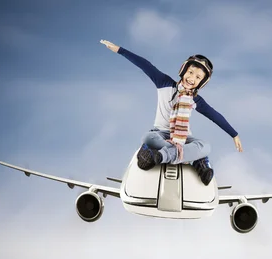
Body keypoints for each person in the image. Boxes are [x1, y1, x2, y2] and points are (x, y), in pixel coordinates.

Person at [100, 39, 243, 185]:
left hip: (183, 138)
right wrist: (120, 50)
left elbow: (215, 115)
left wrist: (234, 134)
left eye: (198, 77)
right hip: (160, 133)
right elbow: (145, 65)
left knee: (205, 146)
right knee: (148, 137)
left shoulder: (195, 100)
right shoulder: (164, 83)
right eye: (190, 72)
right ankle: (194, 160)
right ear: (183, 70)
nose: (192, 78)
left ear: (202, 83)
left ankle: (160, 155)